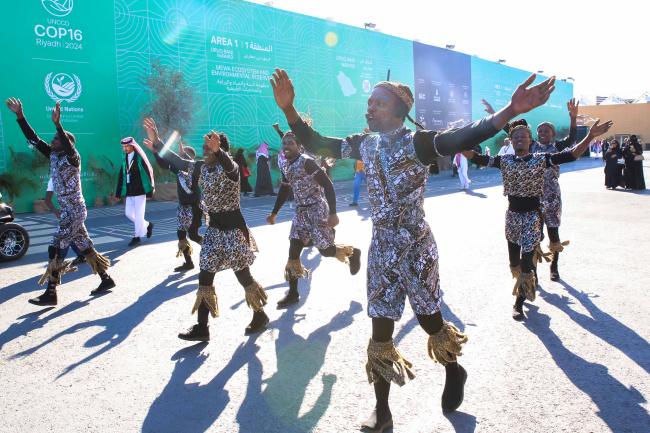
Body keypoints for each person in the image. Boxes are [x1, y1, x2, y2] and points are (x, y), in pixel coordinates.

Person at [271, 67, 556, 430]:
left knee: (430, 320)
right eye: (369, 102)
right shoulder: (365, 143)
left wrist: (510, 111)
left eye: (377, 103)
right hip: (380, 247)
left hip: (416, 247)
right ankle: (382, 410)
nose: (369, 108)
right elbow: (317, 142)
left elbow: (464, 136)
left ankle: (454, 369)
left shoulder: (418, 142)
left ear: (397, 109)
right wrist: (289, 110)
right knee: (380, 328)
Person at [464, 118, 612, 321]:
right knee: (514, 262)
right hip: (512, 217)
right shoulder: (504, 160)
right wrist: (457, 144)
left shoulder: (541, 158)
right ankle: (527, 280)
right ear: (511, 140)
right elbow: (477, 158)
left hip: (533, 217)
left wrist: (590, 136)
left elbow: (572, 154)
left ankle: (519, 303)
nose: (519, 140)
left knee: (526, 263)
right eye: (516, 137)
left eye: (523, 137)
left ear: (529, 140)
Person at [142, 117, 269, 341]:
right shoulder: (202, 168)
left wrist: (219, 152)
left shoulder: (232, 169)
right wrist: (157, 143)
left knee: (243, 276)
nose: (205, 152)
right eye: (204, 149)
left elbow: (229, 164)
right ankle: (202, 327)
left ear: (221, 150)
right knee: (205, 275)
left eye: (209, 149)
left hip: (233, 231)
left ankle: (260, 314)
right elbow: (178, 161)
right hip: (213, 231)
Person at [5, 98, 115, 305]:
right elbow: (34, 139)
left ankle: (51, 292)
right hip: (69, 211)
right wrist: (20, 116)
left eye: (56, 139)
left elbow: (65, 142)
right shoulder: (54, 155)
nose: (52, 142)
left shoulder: (73, 158)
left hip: (74, 210)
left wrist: (58, 125)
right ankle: (106, 279)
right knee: (85, 246)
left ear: (67, 144)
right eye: (53, 139)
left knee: (56, 246)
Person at [483, 98, 578, 281]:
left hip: (551, 196)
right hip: (532, 197)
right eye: (540, 130)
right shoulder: (531, 145)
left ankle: (554, 265)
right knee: (534, 236)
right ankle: (531, 270)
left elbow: (572, 140)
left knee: (553, 232)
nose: (542, 133)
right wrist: (494, 113)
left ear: (552, 134)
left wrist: (573, 118)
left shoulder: (555, 148)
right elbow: (512, 131)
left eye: (546, 131)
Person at [267, 131, 361, 308]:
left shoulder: (306, 162)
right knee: (293, 252)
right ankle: (293, 294)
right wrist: (274, 213)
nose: (286, 146)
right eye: (284, 143)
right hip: (300, 213)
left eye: (290, 143)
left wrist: (333, 213)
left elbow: (327, 184)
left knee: (326, 251)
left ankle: (352, 252)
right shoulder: (286, 164)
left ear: (299, 146)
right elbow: (285, 189)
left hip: (317, 210)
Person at [153, 139, 203, 272]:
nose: (181, 157)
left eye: (185, 155)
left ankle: (213, 250)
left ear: (189, 157)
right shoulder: (178, 169)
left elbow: (182, 160)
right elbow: (164, 164)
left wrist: (182, 155)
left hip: (194, 207)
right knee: (181, 234)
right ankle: (188, 262)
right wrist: (155, 153)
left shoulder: (195, 168)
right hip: (183, 207)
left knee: (193, 235)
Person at [115, 136, 155, 246]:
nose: (125, 148)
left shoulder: (139, 158)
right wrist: (118, 193)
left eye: (127, 146)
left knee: (138, 214)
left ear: (133, 146)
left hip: (140, 191)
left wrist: (151, 189)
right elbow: (121, 176)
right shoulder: (125, 159)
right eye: (124, 146)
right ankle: (147, 225)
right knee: (128, 213)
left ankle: (136, 237)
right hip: (129, 191)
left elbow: (148, 171)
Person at [44, 177, 86, 267]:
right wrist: (55, 211)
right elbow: (47, 200)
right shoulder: (53, 179)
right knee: (73, 235)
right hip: (67, 213)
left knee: (64, 237)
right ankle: (83, 255)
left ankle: (58, 263)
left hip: (77, 212)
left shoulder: (73, 175)